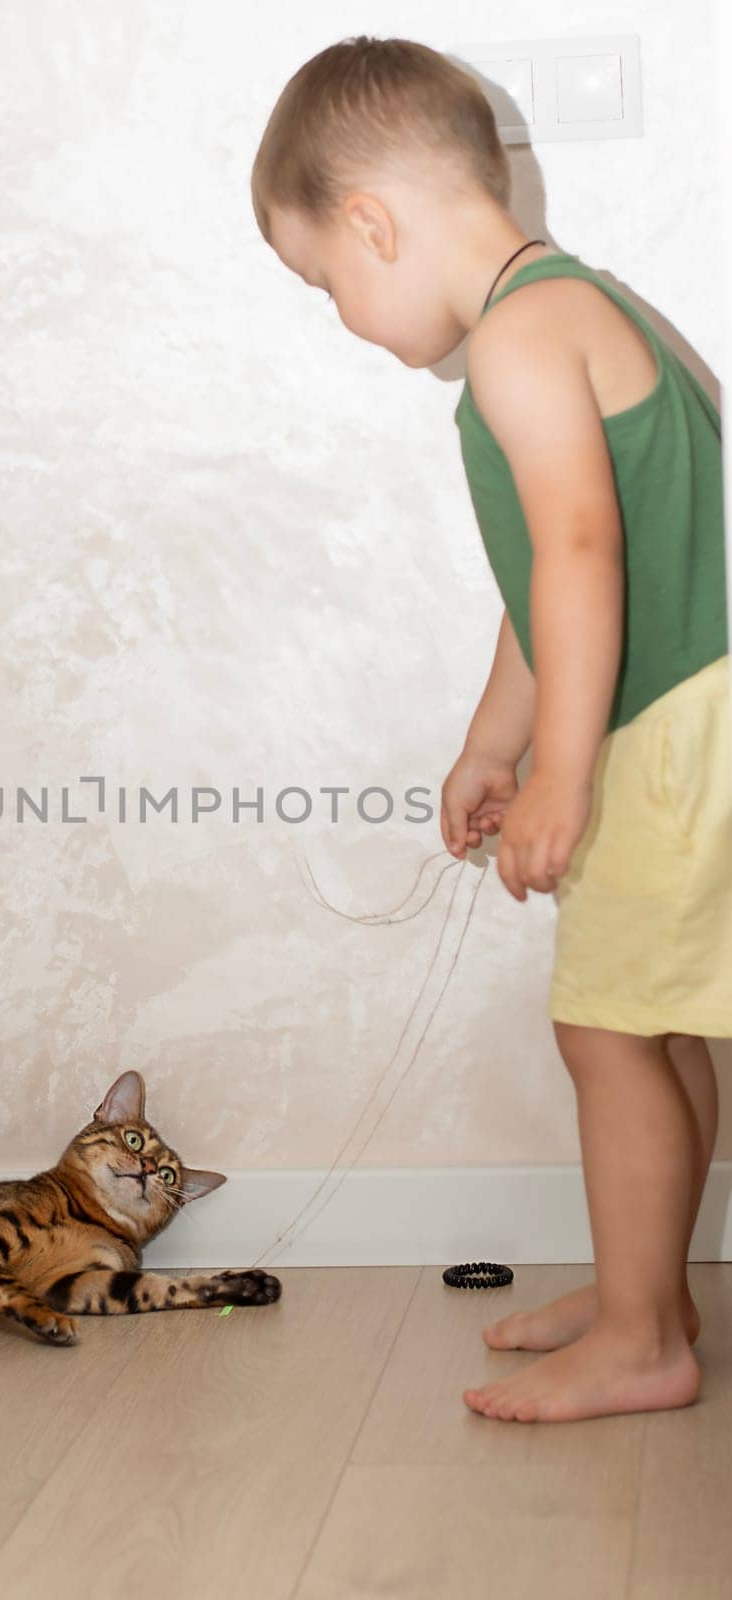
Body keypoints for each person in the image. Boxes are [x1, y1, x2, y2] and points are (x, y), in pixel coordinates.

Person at [251, 36, 730, 1423]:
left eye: (323, 283)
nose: (339, 313)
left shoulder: (523, 338)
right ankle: (647, 1285)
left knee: (602, 1032)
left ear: (372, 223)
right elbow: (551, 586)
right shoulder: (570, 314)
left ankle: (642, 1337)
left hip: (665, 731)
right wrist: (495, 744)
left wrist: (563, 777)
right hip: (672, 710)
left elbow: (580, 554)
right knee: (642, 1025)